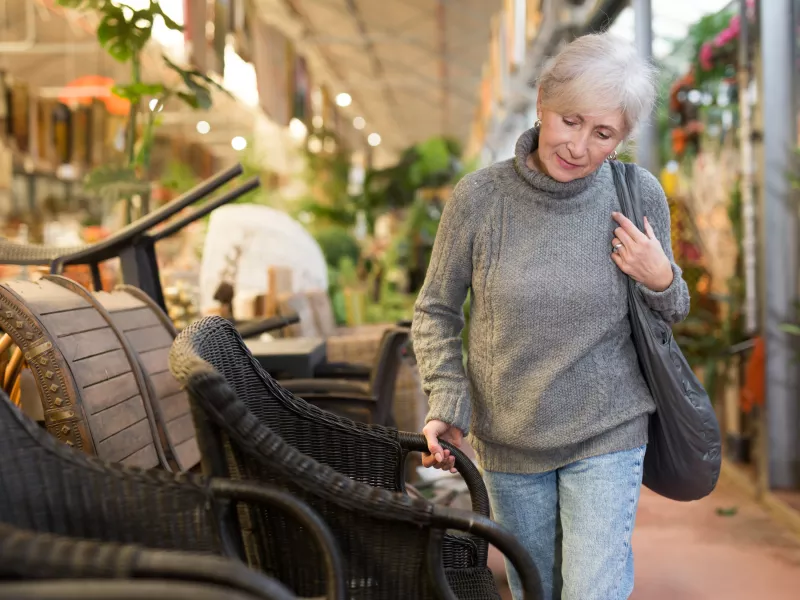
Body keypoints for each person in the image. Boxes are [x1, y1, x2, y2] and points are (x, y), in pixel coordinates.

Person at [411, 33, 690, 600]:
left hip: (609, 429)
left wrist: (661, 277)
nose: (579, 145)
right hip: (510, 438)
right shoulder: (479, 200)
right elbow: (435, 310)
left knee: (592, 590)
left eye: (603, 133)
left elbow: (672, 312)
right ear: (542, 102)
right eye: (571, 120)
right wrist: (446, 400)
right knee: (535, 587)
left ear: (622, 139)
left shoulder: (637, 196)